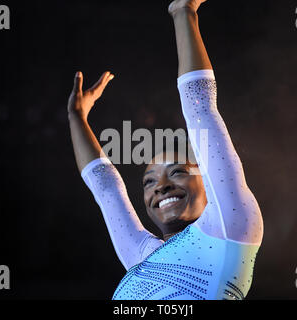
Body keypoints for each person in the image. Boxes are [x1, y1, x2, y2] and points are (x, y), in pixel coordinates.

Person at [67, 0, 264, 300]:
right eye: (149, 181)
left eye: (178, 172)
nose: (160, 187)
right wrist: (77, 118)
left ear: (208, 181)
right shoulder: (142, 256)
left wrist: (183, 11)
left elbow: (202, 112)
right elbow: (106, 188)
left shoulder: (229, 227)